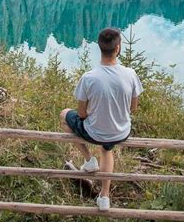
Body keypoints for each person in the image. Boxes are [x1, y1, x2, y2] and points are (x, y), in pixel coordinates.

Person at [60, 27, 143, 211]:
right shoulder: (130, 74)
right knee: (107, 149)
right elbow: (133, 107)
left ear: (99, 47)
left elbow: (81, 114)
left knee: (65, 115)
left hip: (95, 132)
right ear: (118, 48)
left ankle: (89, 160)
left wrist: (95, 116)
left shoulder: (89, 77)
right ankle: (104, 196)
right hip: (121, 131)